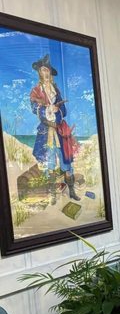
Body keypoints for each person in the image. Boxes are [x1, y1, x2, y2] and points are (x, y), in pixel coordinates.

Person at [29, 54, 81, 203]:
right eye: (43, 70)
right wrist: (47, 109)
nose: (45, 73)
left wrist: (58, 110)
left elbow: (64, 111)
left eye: (47, 71)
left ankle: (71, 191)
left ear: (50, 73)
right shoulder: (36, 90)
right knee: (50, 163)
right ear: (39, 72)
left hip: (60, 131)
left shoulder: (56, 90)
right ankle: (52, 195)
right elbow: (34, 108)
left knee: (66, 162)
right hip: (47, 132)